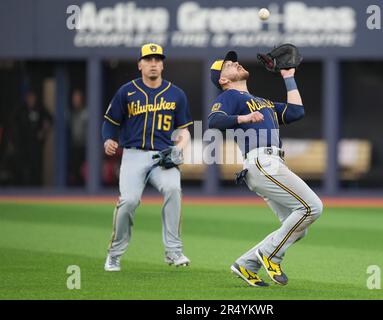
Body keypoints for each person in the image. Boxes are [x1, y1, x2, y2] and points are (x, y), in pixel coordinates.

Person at [207, 51, 323, 287]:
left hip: (270, 164)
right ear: (222, 80)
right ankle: (271, 254)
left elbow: (296, 112)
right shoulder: (230, 96)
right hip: (262, 162)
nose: (236, 63)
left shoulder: (262, 101)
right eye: (229, 65)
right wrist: (243, 119)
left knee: (299, 226)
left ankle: (246, 263)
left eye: (235, 61)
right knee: (312, 207)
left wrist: (288, 76)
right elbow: (214, 120)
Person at [102, 43, 193, 271]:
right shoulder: (127, 91)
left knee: (173, 190)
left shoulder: (176, 94)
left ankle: (174, 252)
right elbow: (110, 122)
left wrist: (181, 147)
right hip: (133, 155)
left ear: (162, 65)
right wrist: (108, 140)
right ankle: (114, 254)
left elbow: (184, 130)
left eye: (157, 60)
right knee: (129, 201)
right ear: (140, 64)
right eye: (149, 59)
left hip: (163, 157)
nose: (153, 63)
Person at [14, 91, 52, 185]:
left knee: (36, 167)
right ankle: (22, 188)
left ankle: (37, 188)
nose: (31, 100)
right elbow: (14, 123)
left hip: (36, 144)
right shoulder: (22, 109)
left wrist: (44, 132)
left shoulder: (40, 109)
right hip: (23, 143)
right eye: (29, 98)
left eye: (33, 97)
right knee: (23, 166)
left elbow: (51, 120)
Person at [68, 89, 88, 185]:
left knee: (83, 170)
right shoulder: (70, 113)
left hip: (84, 146)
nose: (75, 101)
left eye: (77, 99)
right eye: (74, 99)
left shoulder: (86, 113)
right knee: (74, 169)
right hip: (74, 145)